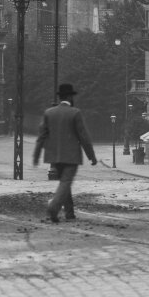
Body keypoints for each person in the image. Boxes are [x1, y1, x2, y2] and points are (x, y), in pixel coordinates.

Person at [33, 83, 98, 223]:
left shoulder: (48, 113)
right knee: (66, 183)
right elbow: (83, 137)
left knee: (65, 183)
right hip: (71, 156)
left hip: (54, 157)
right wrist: (91, 156)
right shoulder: (75, 113)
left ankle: (69, 213)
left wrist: (36, 156)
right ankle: (54, 207)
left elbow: (41, 136)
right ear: (69, 97)